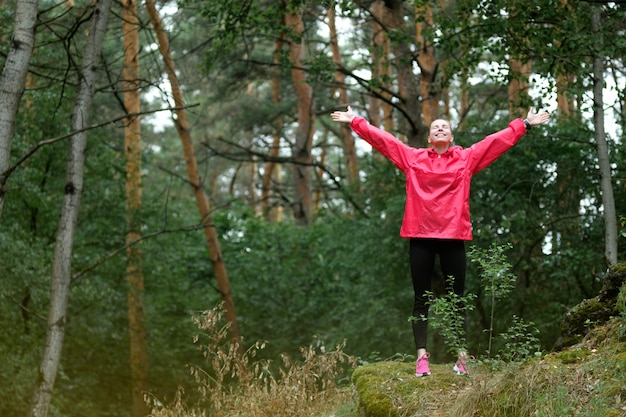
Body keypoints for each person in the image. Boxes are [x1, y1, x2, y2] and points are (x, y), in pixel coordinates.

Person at [330, 105, 550, 377]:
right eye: (435, 127)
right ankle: (422, 357)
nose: (440, 128)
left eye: (444, 126)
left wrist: (524, 124)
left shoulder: (466, 158)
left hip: (452, 236)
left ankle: (461, 357)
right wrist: (357, 121)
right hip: (420, 236)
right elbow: (385, 141)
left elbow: (496, 142)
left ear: (452, 135)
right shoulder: (413, 158)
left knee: (457, 299)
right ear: (430, 139)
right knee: (421, 298)